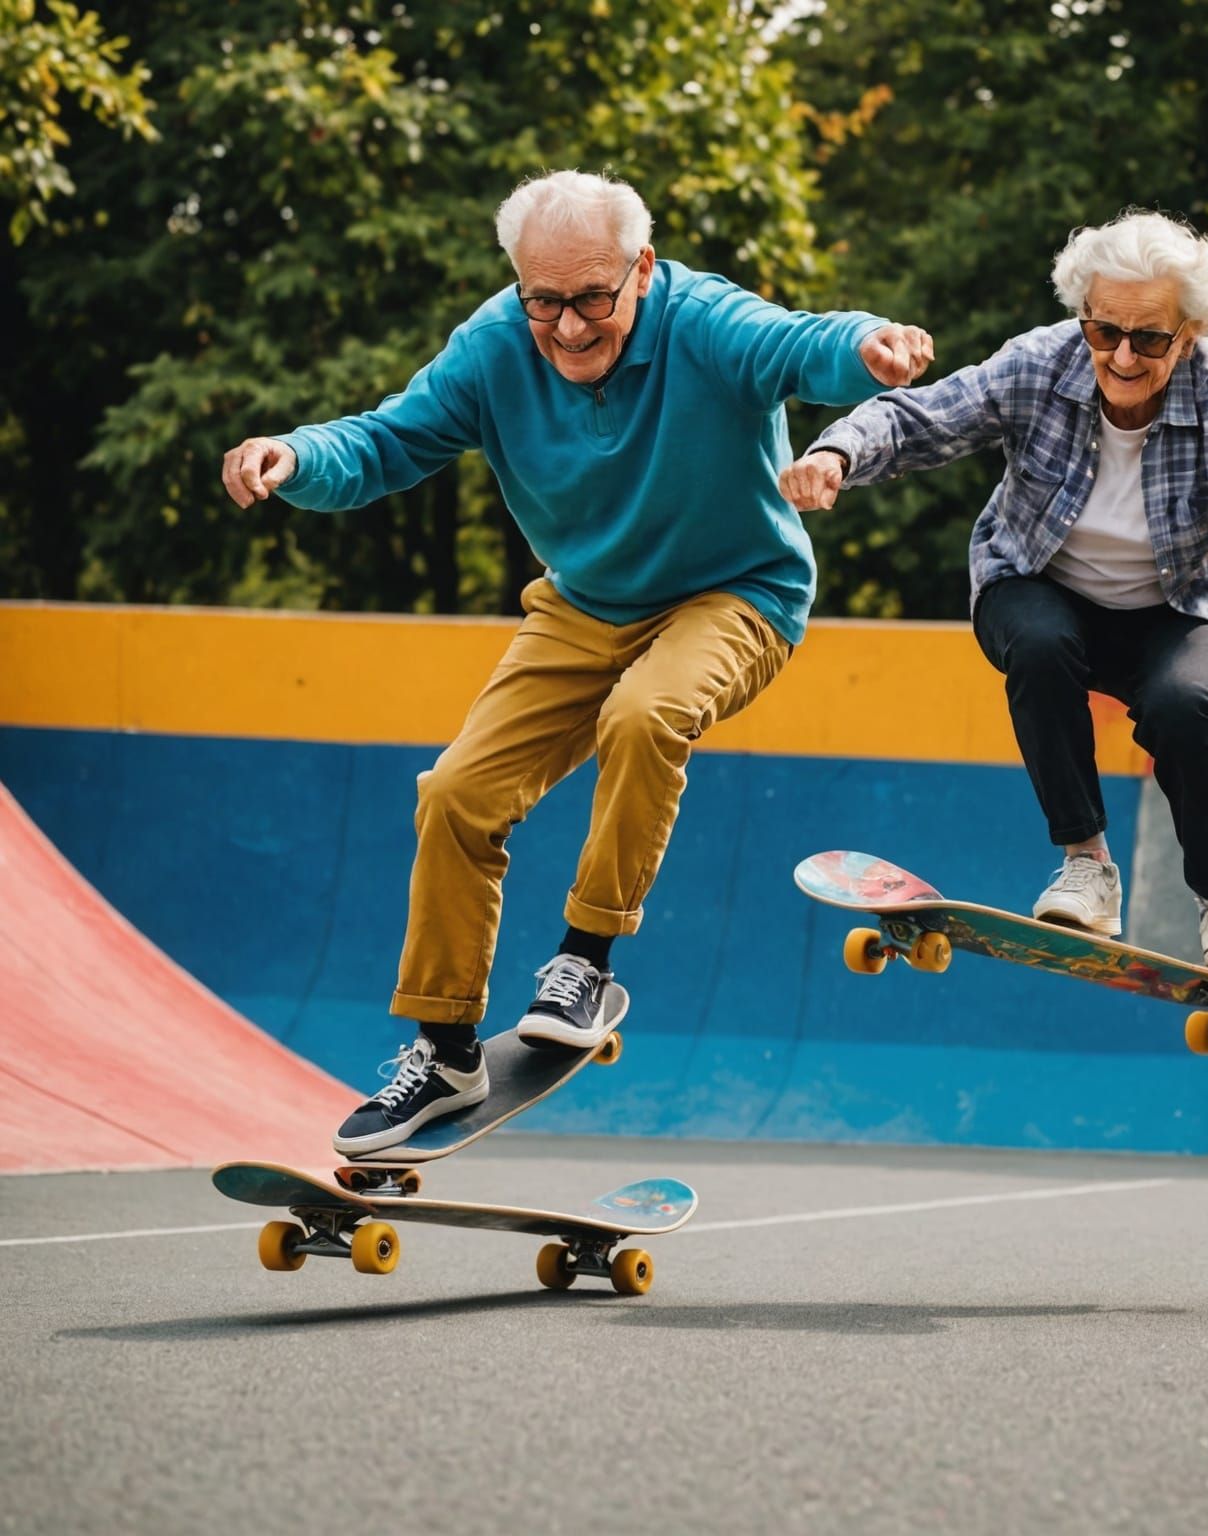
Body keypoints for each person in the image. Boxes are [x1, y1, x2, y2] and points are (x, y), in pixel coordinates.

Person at [221, 170, 934, 1155]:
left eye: (593, 298)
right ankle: (443, 1051)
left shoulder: (703, 321)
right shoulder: (492, 346)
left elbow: (798, 340)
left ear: (641, 269)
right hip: (586, 602)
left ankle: (586, 961)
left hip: (736, 594)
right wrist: (296, 457)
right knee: (455, 794)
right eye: (542, 300)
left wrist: (865, 346)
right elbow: (387, 441)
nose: (566, 329)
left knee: (644, 714)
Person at [779, 209, 1208, 975]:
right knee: (1042, 648)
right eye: (1103, 331)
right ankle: (1086, 863)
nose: (1120, 357)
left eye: (1149, 340)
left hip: (1181, 609)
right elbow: (923, 419)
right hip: (1038, 584)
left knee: (1185, 709)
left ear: (1188, 336)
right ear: (1083, 317)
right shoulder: (1040, 364)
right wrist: (839, 452)